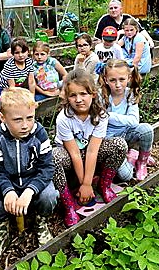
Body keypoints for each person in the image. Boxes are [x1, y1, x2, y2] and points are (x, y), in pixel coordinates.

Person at [0, 88, 58, 268]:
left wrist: (30, 191)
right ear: (3, 118)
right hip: (9, 182)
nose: (25, 125)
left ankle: (41, 223)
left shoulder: (39, 134)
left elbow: (46, 169)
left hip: (33, 182)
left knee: (49, 195)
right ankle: (1, 236)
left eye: (30, 118)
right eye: (17, 119)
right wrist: (8, 191)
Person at [52, 69, 128, 227]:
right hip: (69, 155)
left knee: (119, 145)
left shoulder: (100, 115)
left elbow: (93, 151)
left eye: (83, 94)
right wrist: (83, 184)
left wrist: (87, 185)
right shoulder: (64, 118)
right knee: (53, 157)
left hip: (89, 153)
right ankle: (69, 204)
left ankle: (104, 185)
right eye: (73, 95)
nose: (78, 99)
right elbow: (74, 154)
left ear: (93, 94)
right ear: (67, 98)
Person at [98, 59, 154, 180]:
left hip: (126, 134)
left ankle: (141, 161)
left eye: (122, 79)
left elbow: (134, 121)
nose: (118, 85)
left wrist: (109, 116)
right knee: (126, 176)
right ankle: (130, 156)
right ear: (106, 79)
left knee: (146, 130)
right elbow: (97, 119)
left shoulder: (130, 94)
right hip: (110, 141)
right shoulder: (101, 95)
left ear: (128, 78)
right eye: (113, 80)